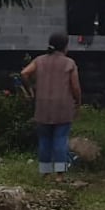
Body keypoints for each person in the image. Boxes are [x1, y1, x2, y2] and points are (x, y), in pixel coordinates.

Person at [20, 33, 81, 181]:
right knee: (60, 139)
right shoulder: (69, 63)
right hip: (62, 106)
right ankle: (60, 175)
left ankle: (45, 173)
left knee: (44, 139)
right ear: (65, 46)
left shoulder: (39, 60)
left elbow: (24, 73)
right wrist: (78, 101)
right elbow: (75, 87)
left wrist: (30, 90)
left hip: (42, 105)